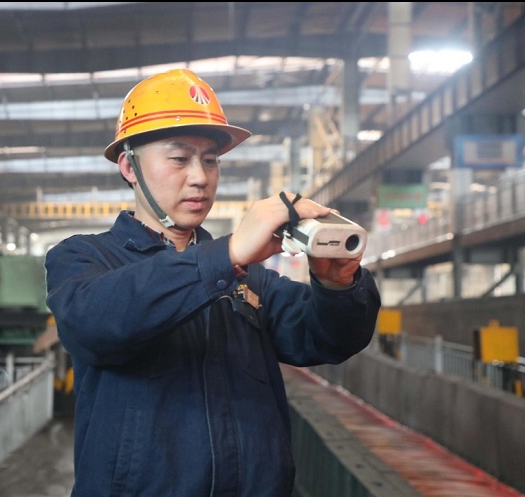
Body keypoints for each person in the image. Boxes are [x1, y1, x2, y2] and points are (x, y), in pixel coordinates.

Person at [45, 69, 380, 497]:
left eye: (210, 160)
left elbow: (327, 340)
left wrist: (337, 286)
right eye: (179, 159)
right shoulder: (83, 258)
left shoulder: (249, 279)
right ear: (130, 167)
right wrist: (226, 255)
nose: (200, 177)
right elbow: (93, 323)